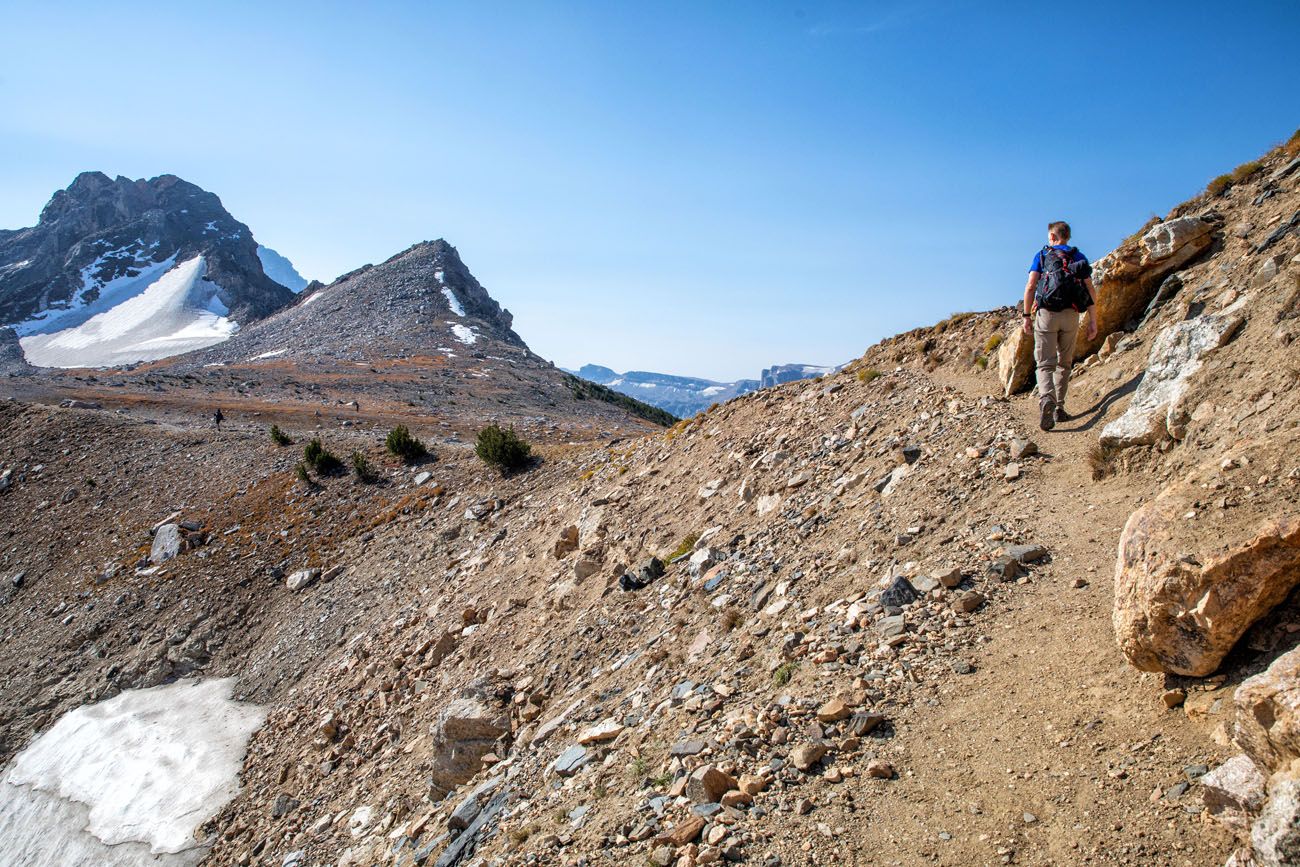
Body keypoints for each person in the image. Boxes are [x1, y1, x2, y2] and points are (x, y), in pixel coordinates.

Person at [1022, 220, 1098, 431]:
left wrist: (1026, 316)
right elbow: (1090, 290)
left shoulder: (1042, 255)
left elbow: (1030, 286)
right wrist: (1093, 320)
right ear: (1067, 236)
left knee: (1045, 363)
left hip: (1047, 314)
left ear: (1053, 237)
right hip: (1071, 315)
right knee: (1064, 363)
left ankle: (1047, 398)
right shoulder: (1078, 257)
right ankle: (1059, 408)